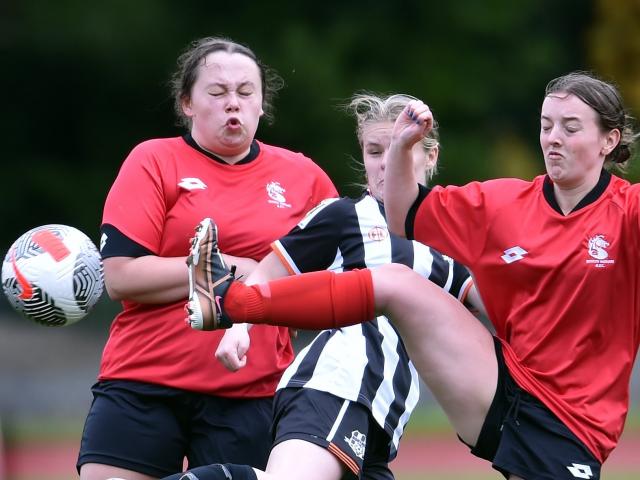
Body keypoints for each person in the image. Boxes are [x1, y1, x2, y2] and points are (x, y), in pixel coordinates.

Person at [184, 71, 639, 480]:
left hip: (570, 422)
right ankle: (230, 301)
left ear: (608, 140)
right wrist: (402, 146)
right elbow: (405, 215)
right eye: (545, 126)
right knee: (396, 283)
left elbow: (479, 300)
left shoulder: (628, 211)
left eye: (570, 127)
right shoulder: (503, 203)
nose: (552, 138)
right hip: (497, 385)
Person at [171, 93, 486, 480]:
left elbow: (494, 313)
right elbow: (268, 274)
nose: (385, 162)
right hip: (338, 384)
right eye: (374, 151)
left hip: (382, 421)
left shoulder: (451, 241)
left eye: (399, 146)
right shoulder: (347, 216)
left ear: (431, 156)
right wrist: (238, 328)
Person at [76, 36, 337, 480]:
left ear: (261, 105)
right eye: (216, 93)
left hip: (251, 394)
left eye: (245, 92)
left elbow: (337, 281)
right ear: (187, 104)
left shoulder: (303, 176)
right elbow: (119, 276)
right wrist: (230, 267)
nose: (231, 103)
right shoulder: (153, 160)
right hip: (143, 383)